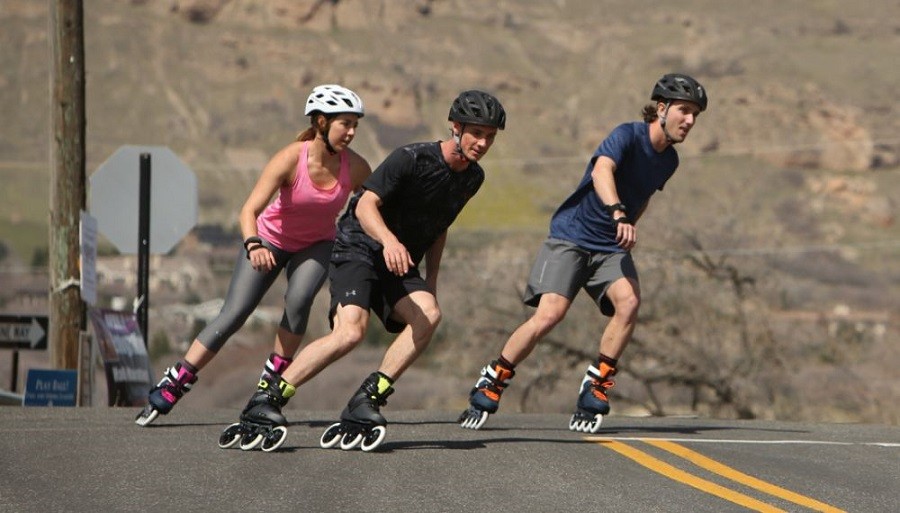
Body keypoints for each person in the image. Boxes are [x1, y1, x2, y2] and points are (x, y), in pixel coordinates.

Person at [219, 89, 507, 452]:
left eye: (490, 137)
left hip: (396, 262)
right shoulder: (411, 158)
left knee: (429, 314)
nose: (482, 143)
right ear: (456, 127)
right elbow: (365, 206)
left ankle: (368, 398)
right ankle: (268, 399)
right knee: (350, 332)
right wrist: (388, 240)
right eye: (477, 133)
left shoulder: (472, 178)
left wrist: (431, 280)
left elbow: (440, 226)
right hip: (359, 248)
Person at [459, 73, 708, 432]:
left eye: (696, 115)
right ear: (662, 108)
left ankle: (596, 384)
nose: (690, 121)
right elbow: (602, 171)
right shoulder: (627, 135)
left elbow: (646, 193)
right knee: (549, 316)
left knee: (630, 303)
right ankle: (493, 378)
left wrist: (629, 224)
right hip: (572, 237)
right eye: (684, 111)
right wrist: (618, 212)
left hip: (609, 246)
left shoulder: (669, 161)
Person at [135, 84, 372, 426]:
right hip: (269, 240)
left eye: (355, 126)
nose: (351, 132)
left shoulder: (356, 167)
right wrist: (254, 245)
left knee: (300, 299)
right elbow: (248, 210)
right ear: (321, 122)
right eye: (345, 124)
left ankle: (270, 386)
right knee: (234, 314)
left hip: (316, 243)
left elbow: (378, 199)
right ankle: (176, 381)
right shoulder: (292, 157)